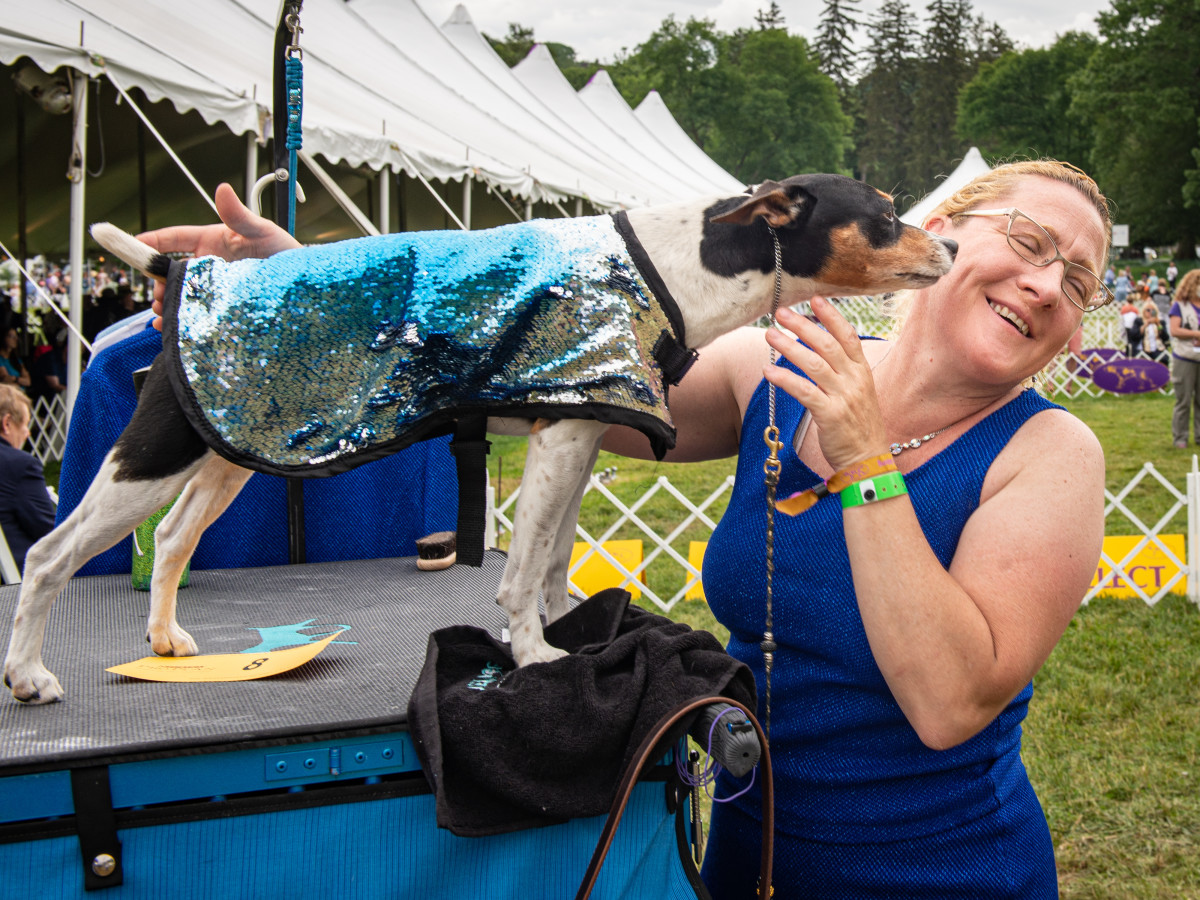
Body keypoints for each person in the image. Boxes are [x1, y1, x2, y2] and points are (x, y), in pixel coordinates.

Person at [144, 163, 1109, 897]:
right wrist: (330, 294)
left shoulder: (1050, 454)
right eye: (1029, 242)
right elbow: (545, 383)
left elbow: (947, 702)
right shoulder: (769, 371)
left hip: (939, 873)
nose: (1046, 283)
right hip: (736, 845)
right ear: (940, 230)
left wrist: (861, 456)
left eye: (1079, 280)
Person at [0, 384, 56, 574]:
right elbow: (48, 533)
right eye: (24, 423)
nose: (27, 432)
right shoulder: (18, 465)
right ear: (6, 423)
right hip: (14, 580)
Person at [1168, 270, 1200, 449]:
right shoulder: (1179, 305)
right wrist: (1196, 334)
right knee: (1184, 400)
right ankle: (1180, 437)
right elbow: (1175, 330)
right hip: (1185, 358)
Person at [0, 327, 30, 392]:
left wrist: (15, 379)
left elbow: (28, 381)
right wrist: (19, 381)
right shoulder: (1, 359)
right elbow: (5, 379)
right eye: (12, 336)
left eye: (16, 336)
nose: (15, 339)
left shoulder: (17, 360)